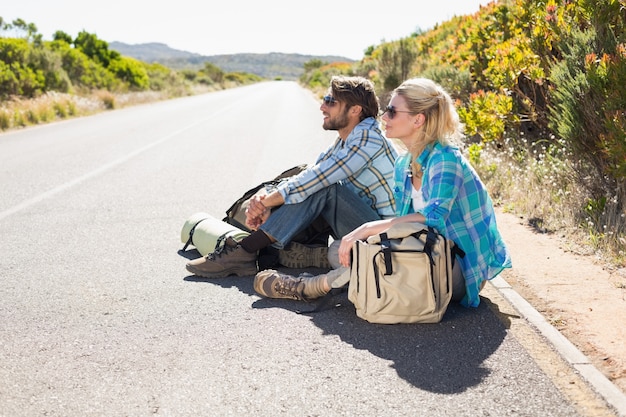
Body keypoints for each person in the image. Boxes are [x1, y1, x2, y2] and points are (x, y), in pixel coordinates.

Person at [254, 77, 512, 308]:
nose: (383, 118)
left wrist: (366, 230)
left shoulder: (445, 160)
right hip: (422, 250)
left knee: (371, 257)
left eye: (391, 111)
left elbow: (434, 220)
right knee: (346, 253)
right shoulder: (405, 164)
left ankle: (310, 287)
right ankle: (339, 272)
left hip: (454, 267)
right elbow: (404, 228)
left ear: (417, 119)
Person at [186, 76, 399, 279]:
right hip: (364, 226)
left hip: (387, 236)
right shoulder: (346, 140)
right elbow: (310, 173)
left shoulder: (368, 138)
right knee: (308, 181)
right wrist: (265, 201)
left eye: (330, 101)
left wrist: (268, 201)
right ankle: (284, 249)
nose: (322, 106)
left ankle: (246, 250)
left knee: (325, 188)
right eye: (324, 100)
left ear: (355, 110)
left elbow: (319, 178)